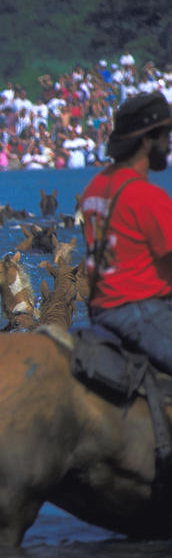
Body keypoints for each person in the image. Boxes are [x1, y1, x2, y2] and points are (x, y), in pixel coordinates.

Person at [82, 92, 172, 374]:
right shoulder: (146, 196)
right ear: (147, 139)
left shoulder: (95, 187)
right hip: (142, 312)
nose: (168, 144)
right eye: (165, 135)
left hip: (101, 311)